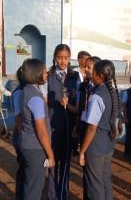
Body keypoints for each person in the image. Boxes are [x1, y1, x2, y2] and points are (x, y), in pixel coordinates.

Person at [78, 59, 122, 200]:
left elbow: (92, 127)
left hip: (96, 145)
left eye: (94, 72)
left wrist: (82, 151)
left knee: (94, 185)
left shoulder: (97, 96)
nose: (91, 73)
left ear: (100, 76)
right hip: (108, 142)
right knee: (104, 180)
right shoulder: (113, 92)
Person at [47, 44, 79, 200]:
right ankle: (52, 195)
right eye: (59, 57)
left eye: (66, 58)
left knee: (66, 164)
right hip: (52, 127)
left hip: (69, 126)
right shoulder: (48, 75)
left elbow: (79, 101)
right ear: (54, 57)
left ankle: (63, 194)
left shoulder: (75, 76)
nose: (63, 61)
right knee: (53, 164)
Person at [19, 58, 55, 200]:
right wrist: (50, 154)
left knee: (30, 185)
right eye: (45, 71)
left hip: (28, 145)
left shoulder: (26, 91)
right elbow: (41, 130)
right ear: (36, 73)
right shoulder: (36, 98)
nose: (47, 74)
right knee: (35, 187)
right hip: (35, 148)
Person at [76, 56, 101, 152]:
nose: (85, 69)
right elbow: (81, 107)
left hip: (95, 130)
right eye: (85, 67)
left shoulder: (101, 90)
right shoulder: (83, 86)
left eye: (88, 67)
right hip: (83, 124)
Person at [12, 66, 25, 200]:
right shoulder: (20, 93)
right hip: (21, 137)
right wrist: (24, 137)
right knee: (24, 169)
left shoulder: (24, 91)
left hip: (22, 136)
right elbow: (18, 118)